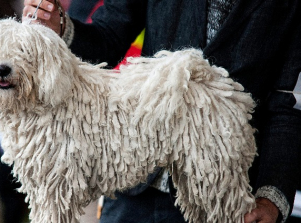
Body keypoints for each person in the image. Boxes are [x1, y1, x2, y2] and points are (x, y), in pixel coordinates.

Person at [22, 0, 301, 222]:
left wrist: (272, 196)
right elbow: (108, 37)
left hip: (226, 193)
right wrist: (60, 27)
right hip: (134, 184)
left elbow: (288, 102)